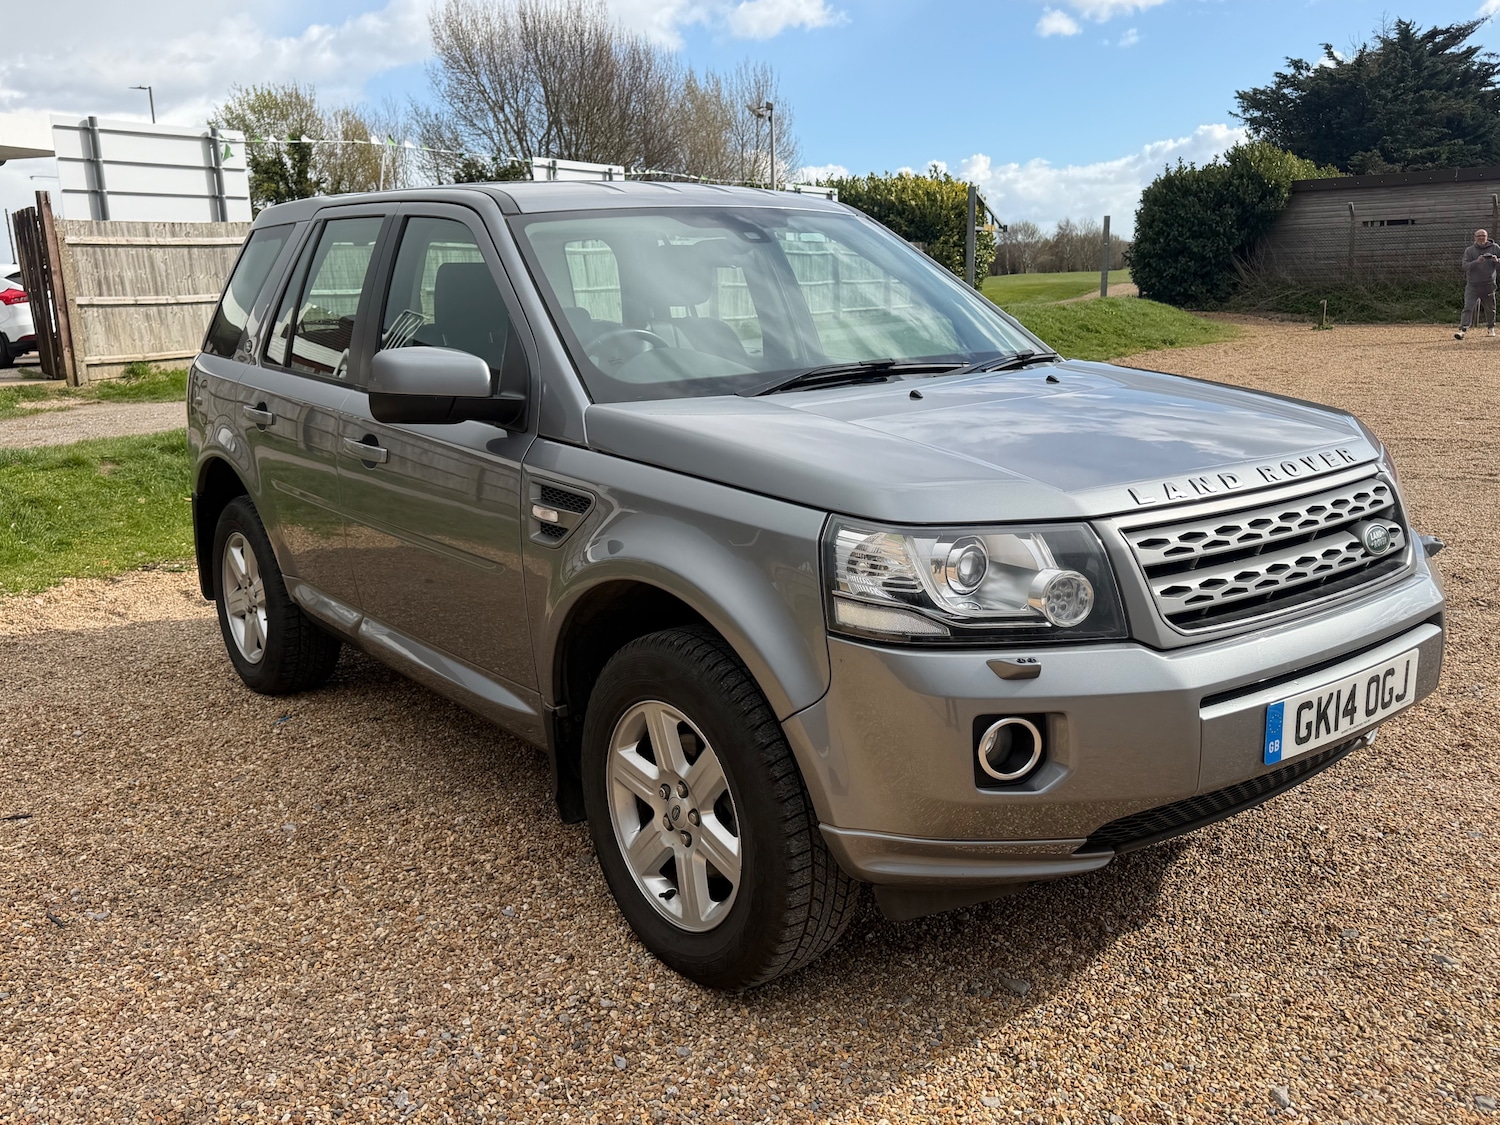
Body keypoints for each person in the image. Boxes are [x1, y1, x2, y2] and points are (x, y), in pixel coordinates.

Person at [1456, 228, 1500, 339]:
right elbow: (1465, 266)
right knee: (1468, 307)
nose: (1481, 238)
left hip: (1489, 284)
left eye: (1483, 236)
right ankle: (1462, 330)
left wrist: (1497, 261)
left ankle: (1491, 328)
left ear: (1487, 237)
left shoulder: (1495, 247)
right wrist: (1477, 262)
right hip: (1473, 285)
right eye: (1479, 236)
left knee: (1491, 308)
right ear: (1475, 238)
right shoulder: (1469, 251)